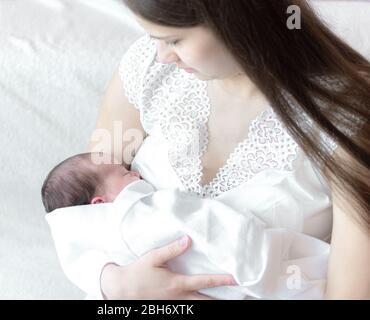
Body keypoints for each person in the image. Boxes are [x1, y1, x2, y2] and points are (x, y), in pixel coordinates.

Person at [85, 0, 369, 299]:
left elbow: (350, 294)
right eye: (155, 38)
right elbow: (80, 205)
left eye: (174, 40)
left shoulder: (348, 115)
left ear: (235, 18)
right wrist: (112, 283)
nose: (163, 56)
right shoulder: (149, 69)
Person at [42, 152, 329, 299]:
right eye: (125, 173)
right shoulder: (135, 214)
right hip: (243, 270)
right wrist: (116, 284)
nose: (136, 172)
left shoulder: (87, 244)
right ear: (100, 204)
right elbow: (203, 220)